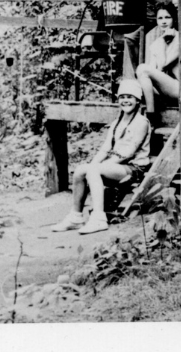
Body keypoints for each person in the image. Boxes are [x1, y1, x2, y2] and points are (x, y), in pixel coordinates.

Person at [51, 79, 152, 235]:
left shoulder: (141, 122)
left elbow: (128, 152)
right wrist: (93, 164)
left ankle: (99, 219)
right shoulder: (116, 123)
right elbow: (105, 148)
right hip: (116, 166)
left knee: (93, 171)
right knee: (80, 170)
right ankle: (76, 216)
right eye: (122, 97)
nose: (125, 100)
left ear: (137, 100)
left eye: (130, 97)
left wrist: (100, 167)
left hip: (134, 169)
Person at [135, 4, 180, 123]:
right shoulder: (156, 44)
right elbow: (153, 70)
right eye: (160, 18)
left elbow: (164, 63)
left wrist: (164, 42)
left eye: (167, 17)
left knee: (142, 68)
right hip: (163, 91)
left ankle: (151, 115)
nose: (163, 21)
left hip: (179, 88)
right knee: (136, 82)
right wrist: (162, 41)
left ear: (174, 19)